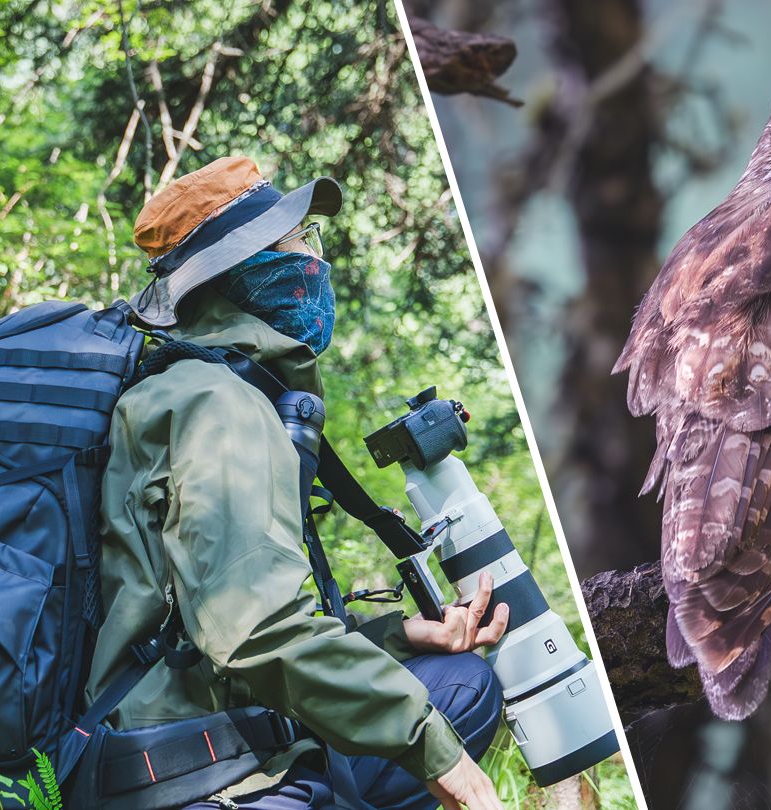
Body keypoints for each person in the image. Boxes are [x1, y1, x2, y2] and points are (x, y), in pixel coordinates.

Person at [88, 155, 510, 810]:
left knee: (460, 681)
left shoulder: (188, 386)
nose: (314, 259)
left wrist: (397, 635)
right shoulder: (220, 405)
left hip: (164, 723)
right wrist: (439, 754)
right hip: (186, 770)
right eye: (296, 241)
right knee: (440, 720)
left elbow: (207, 622)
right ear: (244, 269)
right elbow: (251, 634)